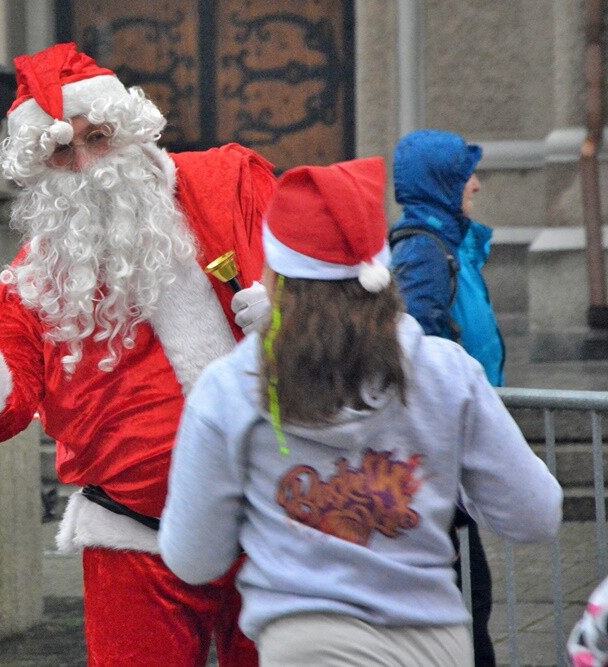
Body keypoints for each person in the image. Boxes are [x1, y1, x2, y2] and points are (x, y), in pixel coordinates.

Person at [0, 42, 276, 666]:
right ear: (40, 169)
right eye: (61, 150)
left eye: (98, 137)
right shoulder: (36, 277)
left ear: (132, 130)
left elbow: (327, 283)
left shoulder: (229, 184)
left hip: (268, 523)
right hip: (135, 543)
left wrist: (288, 322)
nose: (84, 163)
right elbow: (5, 412)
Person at [158, 156, 563, 666]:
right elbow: (535, 513)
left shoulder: (231, 388)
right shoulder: (446, 373)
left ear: (275, 274)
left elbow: (193, 559)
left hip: (304, 644)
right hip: (434, 642)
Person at [390, 128, 505, 665]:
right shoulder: (424, 251)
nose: (476, 185)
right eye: (465, 175)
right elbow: (422, 345)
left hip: (458, 446)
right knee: (464, 601)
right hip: (444, 455)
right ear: (441, 183)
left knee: (471, 599)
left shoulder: (449, 244)